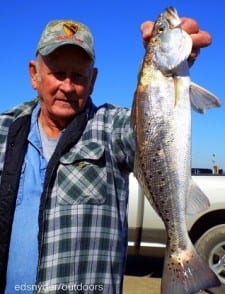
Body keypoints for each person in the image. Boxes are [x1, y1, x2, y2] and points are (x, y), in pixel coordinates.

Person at [0, 15, 211, 293]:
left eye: (78, 76)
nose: (67, 86)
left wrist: (176, 61)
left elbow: (146, 134)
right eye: (57, 74)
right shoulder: (5, 129)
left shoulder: (111, 128)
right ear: (34, 74)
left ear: (93, 80)